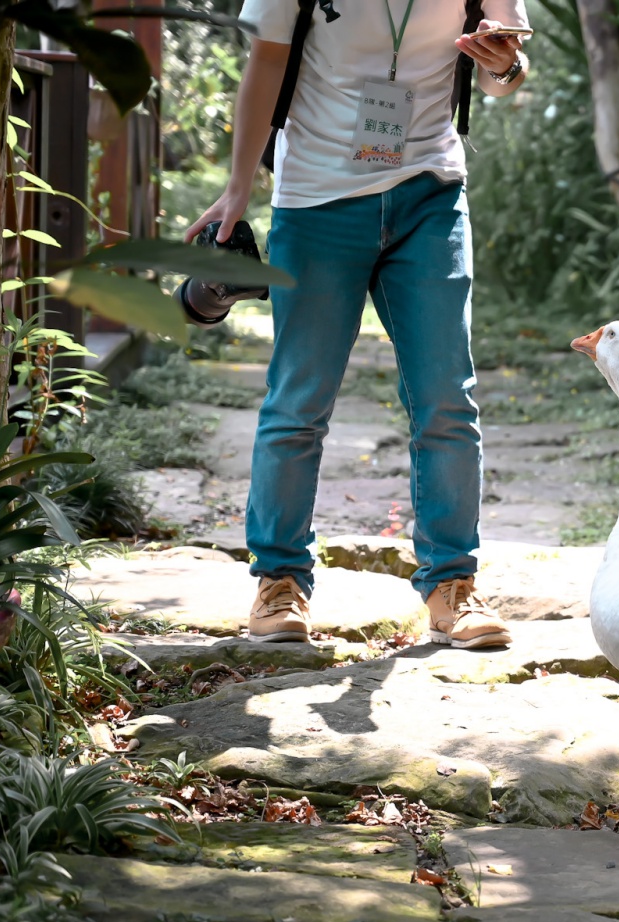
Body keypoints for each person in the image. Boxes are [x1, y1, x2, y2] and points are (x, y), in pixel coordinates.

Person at [188, 1, 530, 649]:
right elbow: (267, 59)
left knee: (446, 397)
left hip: (429, 190)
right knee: (300, 399)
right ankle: (280, 581)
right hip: (317, 194)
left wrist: (505, 65)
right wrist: (238, 187)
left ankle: (451, 582)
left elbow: (500, 74)